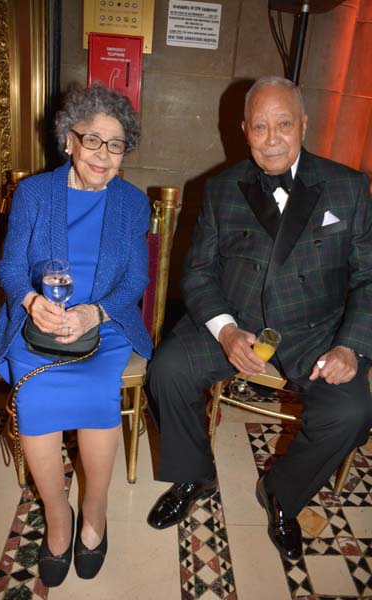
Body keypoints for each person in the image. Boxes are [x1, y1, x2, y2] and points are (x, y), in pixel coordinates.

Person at [146, 76, 372, 561]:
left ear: (303, 125)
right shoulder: (220, 189)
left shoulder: (348, 187)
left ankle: (282, 495)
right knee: (166, 369)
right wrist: (225, 331)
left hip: (317, 329)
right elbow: (199, 273)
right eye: (261, 127)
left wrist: (350, 345)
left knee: (351, 414)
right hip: (236, 320)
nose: (272, 139)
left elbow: (369, 277)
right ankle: (194, 475)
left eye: (284, 124)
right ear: (244, 129)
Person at [0, 84, 152, 586]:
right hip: (37, 325)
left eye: (116, 143)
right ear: (69, 141)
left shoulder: (132, 202)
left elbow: (135, 281)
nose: (104, 154)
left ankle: (95, 513)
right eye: (93, 140)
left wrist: (94, 314)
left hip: (104, 325)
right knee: (36, 389)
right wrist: (34, 302)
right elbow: (11, 268)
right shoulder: (35, 193)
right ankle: (58, 517)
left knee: (96, 391)